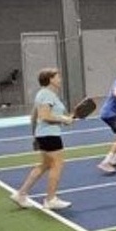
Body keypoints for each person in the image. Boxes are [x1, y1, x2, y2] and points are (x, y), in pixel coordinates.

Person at [12, 68, 76, 210]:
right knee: (57, 165)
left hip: (43, 135)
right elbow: (44, 116)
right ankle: (50, 199)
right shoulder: (47, 95)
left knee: (44, 165)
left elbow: (34, 117)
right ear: (51, 79)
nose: (60, 79)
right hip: (50, 136)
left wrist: (35, 136)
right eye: (57, 76)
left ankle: (21, 194)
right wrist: (64, 119)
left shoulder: (43, 94)